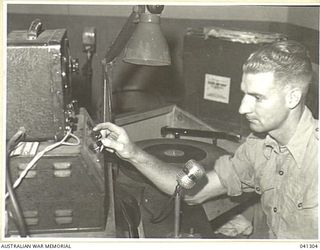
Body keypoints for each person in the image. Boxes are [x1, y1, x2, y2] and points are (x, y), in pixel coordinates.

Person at [93, 40, 318, 239]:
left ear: (293, 97)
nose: (242, 108)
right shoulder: (258, 148)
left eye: (257, 98)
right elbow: (191, 191)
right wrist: (132, 152)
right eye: (244, 94)